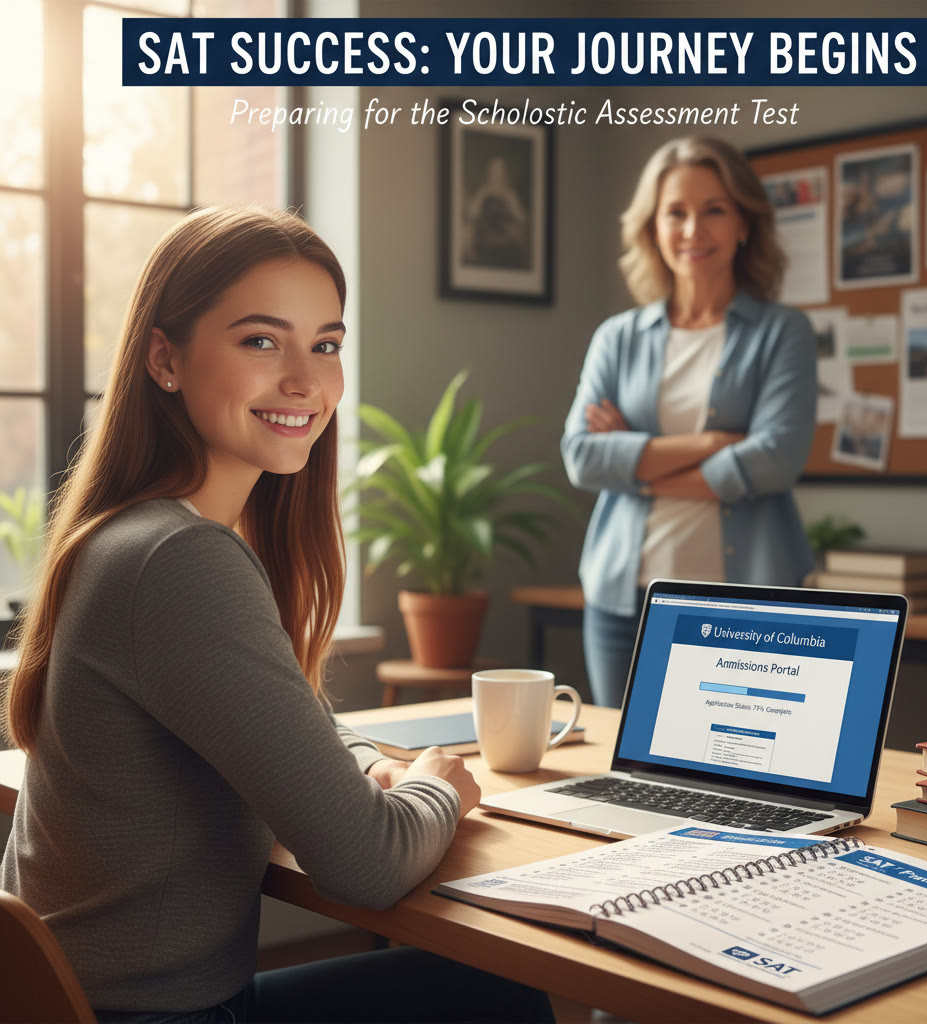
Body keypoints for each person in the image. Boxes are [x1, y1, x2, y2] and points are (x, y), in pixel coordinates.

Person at [1, 206, 552, 1024]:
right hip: (153, 1017)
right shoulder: (179, 561)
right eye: (261, 340)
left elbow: (292, 724)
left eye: (325, 344)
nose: (305, 379)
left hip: (92, 1004)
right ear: (166, 360)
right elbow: (366, 863)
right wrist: (436, 785)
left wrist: (365, 766)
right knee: (500, 998)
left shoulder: (133, 535)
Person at [561, 137, 817, 708]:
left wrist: (635, 461)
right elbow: (581, 456)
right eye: (675, 212)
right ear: (653, 227)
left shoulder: (784, 333)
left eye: (714, 210)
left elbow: (774, 459)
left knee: (743, 773)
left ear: (744, 224)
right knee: (625, 773)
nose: (692, 230)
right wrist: (710, 443)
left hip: (749, 608)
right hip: (622, 602)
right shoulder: (618, 337)